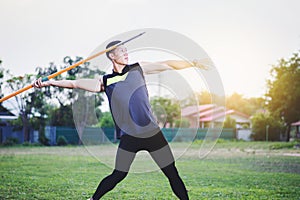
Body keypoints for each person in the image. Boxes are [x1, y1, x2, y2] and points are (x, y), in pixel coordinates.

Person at [33, 40, 208, 200]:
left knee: (171, 172)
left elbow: (167, 64)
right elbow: (74, 83)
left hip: (151, 132)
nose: (126, 53)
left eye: (126, 50)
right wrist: (49, 83)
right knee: (118, 174)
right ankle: (93, 199)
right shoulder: (105, 81)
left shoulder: (137, 68)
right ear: (111, 55)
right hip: (129, 136)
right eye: (121, 51)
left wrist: (192, 63)